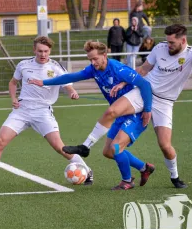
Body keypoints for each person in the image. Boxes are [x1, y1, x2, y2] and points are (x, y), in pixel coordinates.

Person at [111, 25, 192, 188]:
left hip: (164, 103)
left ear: (183, 40)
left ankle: (175, 177)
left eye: (172, 42)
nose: (168, 45)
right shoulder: (159, 48)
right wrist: (124, 82)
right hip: (144, 91)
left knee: (165, 145)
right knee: (113, 111)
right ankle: (91, 145)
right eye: (167, 41)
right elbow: (144, 69)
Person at [0, 36, 91, 190]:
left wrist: (72, 92)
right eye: (40, 51)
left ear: (50, 51)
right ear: (34, 50)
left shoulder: (56, 67)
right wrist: (13, 98)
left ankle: (87, 171)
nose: (43, 54)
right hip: (22, 110)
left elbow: (68, 86)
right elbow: (13, 83)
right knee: (0, 141)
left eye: (46, 51)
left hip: (43, 112)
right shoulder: (24, 65)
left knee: (61, 148)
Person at [33, 41, 154, 190]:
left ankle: (127, 181)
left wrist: (147, 110)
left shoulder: (118, 69)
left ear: (104, 55)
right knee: (108, 152)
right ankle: (144, 168)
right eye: (90, 59)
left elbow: (145, 85)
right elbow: (71, 77)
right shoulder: (93, 69)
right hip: (119, 113)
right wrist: (44, 82)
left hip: (136, 113)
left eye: (95, 59)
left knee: (116, 147)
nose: (93, 62)